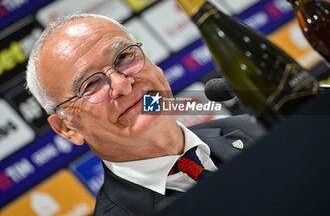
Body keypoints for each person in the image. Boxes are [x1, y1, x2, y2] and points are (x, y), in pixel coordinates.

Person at [26, 13, 264, 216]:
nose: (121, 84)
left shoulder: (261, 128)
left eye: (123, 57)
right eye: (89, 85)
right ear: (68, 128)